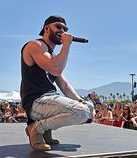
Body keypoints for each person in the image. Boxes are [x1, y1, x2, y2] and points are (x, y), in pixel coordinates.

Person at [20, 15, 94, 151]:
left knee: (88, 107)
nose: (63, 31)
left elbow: (65, 86)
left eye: (65, 28)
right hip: (36, 101)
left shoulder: (52, 55)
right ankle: (36, 129)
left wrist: (80, 100)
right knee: (81, 112)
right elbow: (56, 68)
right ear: (46, 28)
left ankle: (45, 131)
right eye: (58, 27)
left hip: (49, 99)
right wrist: (66, 45)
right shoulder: (35, 45)